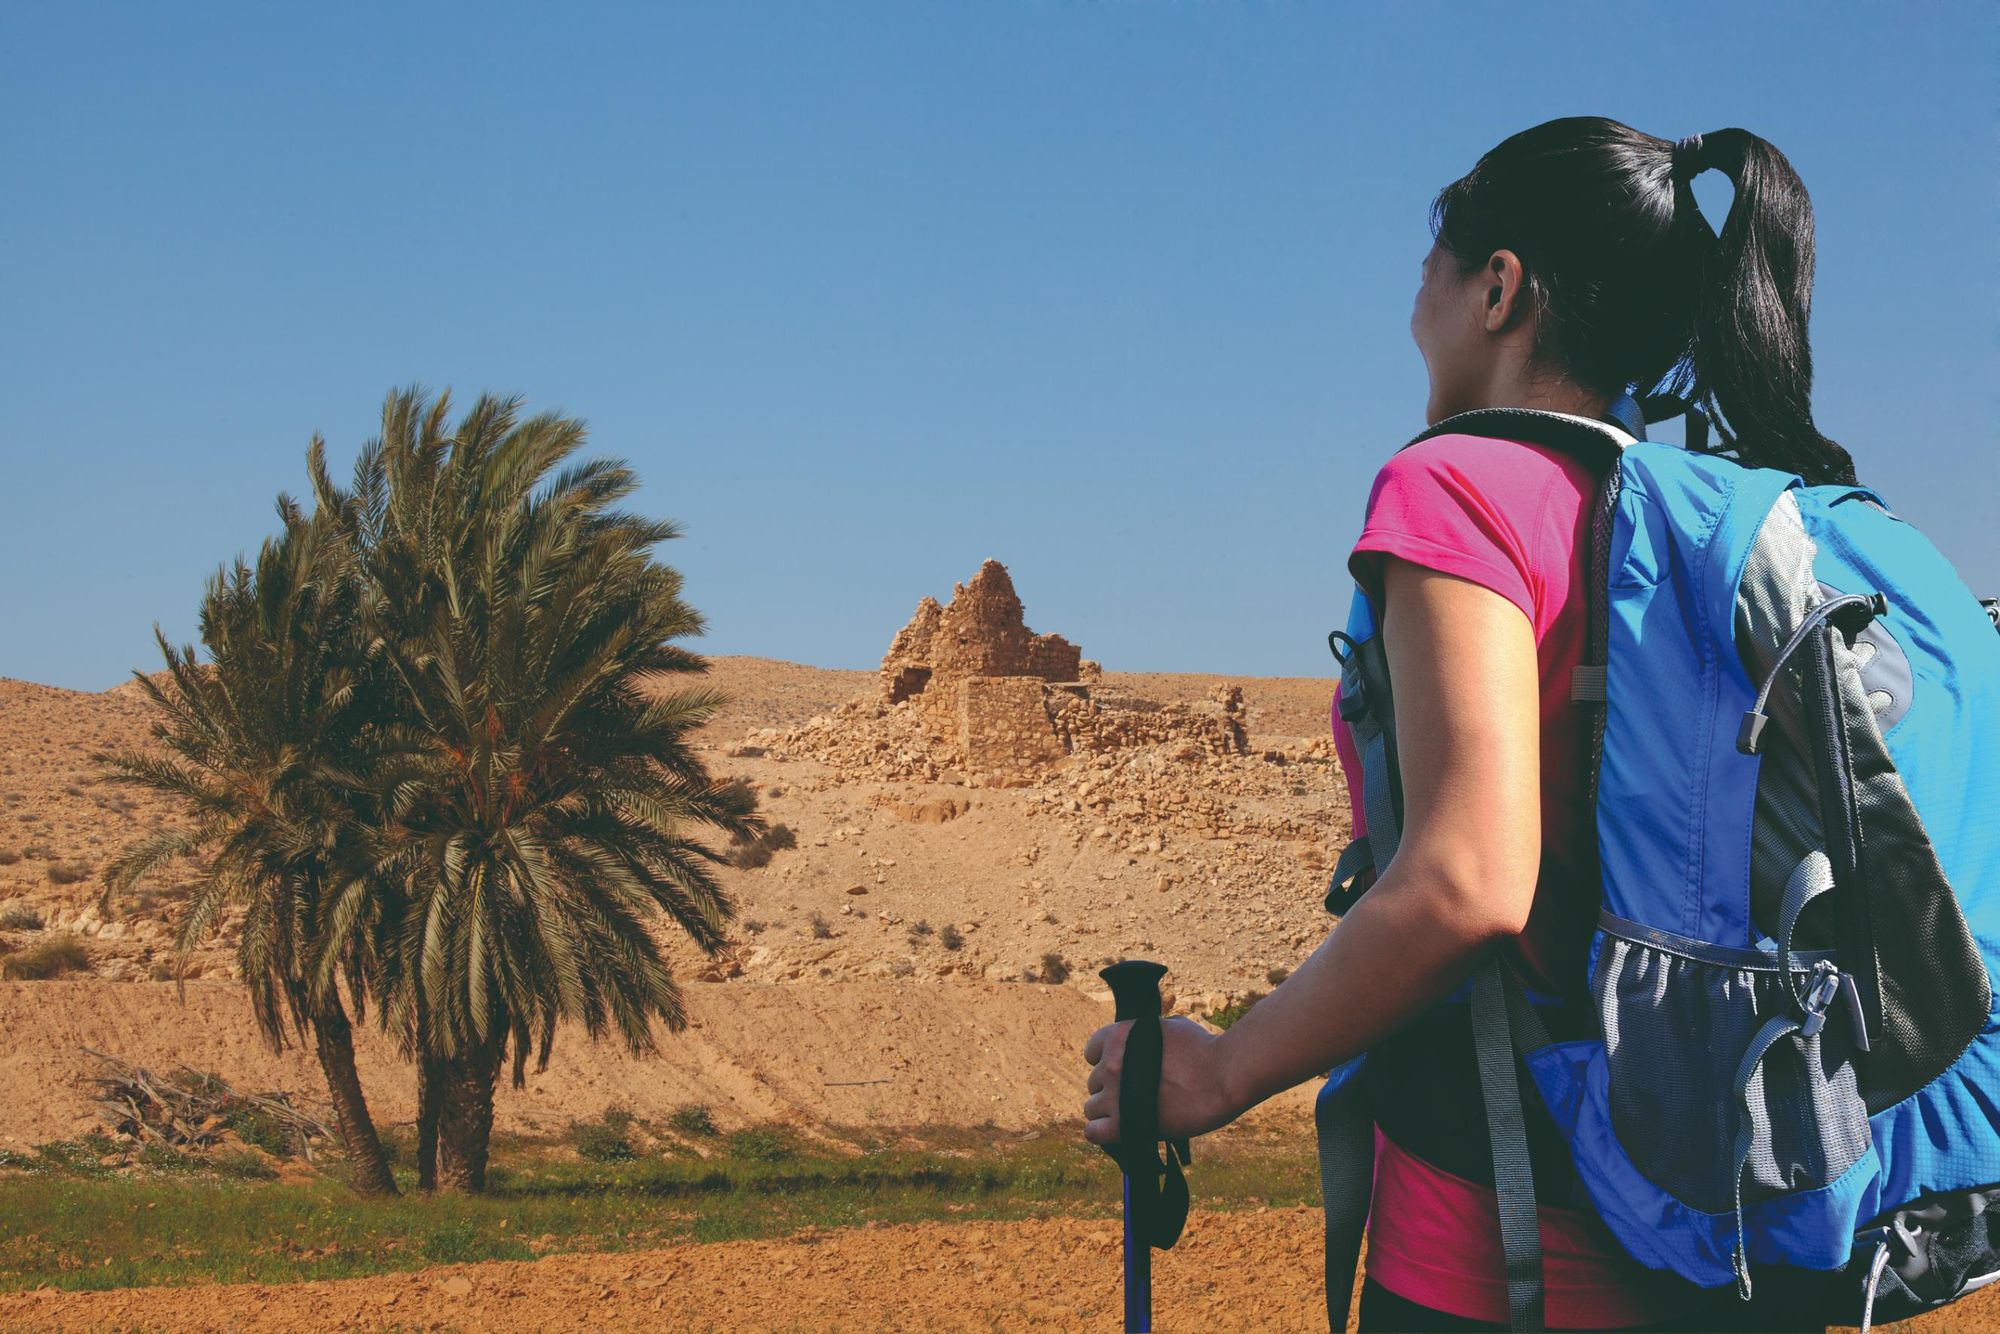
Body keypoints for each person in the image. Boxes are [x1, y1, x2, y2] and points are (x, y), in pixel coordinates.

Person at [1082, 117, 1858, 1331]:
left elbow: (1465, 881)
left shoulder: (1457, 484)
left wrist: (1223, 1067)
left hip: (1504, 1246)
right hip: (1746, 1232)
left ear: (1497, 288)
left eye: (1427, 270)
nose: (1412, 308)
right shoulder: (1716, 517)